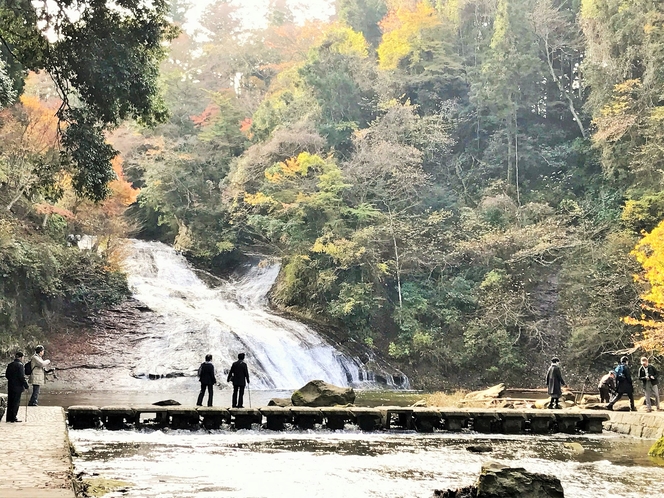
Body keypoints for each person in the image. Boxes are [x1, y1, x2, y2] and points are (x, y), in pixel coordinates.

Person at [5, 351, 29, 422]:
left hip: (10, 386)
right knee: (16, 402)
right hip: (18, 387)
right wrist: (26, 386)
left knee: (10, 402)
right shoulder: (20, 365)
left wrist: (11, 380)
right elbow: (21, 377)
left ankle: (8, 418)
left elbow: (7, 375)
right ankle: (13, 417)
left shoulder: (10, 364)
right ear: (21, 357)